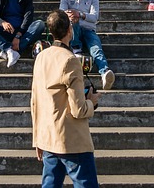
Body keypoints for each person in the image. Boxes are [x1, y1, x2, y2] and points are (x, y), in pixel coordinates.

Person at [30, 10, 101, 188]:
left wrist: (37, 138)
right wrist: (92, 101)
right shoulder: (70, 60)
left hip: (48, 137)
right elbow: (78, 109)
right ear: (70, 30)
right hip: (72, 140)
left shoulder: (41, 57)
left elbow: (35, 101)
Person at [59, 0, 115, 90]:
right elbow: (61, 13)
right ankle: (76, 48)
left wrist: (79, 14)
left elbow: (94, 17)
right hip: (73, 29)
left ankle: (104, 72)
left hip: (89, 29)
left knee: (96, 48)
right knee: (72, 21)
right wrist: (71, 16)